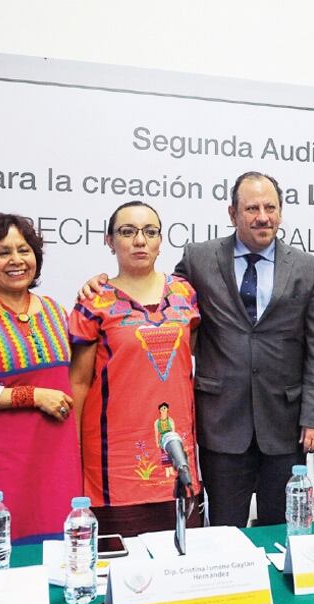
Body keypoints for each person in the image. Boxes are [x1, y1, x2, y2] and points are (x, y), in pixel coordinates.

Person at [174, 171, 314, 527]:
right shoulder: (198, 259)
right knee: (224, 529)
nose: (262, 216)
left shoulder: (309, 268)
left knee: (282, 528)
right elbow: (161, 302)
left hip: (286, 422)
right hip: (221, 421)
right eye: (252, 208)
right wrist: (105, 283)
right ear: (232, 214)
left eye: (270, 207)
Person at [0, 213, 81, 546]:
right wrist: (32, 396)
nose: (16, 260)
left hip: (56, 459)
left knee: (60, 553)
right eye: (3, 252)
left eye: (24, 250)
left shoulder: (55, 310)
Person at [69, 201, 202, 537]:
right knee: (120, 572)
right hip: (114, 467)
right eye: (127, 232)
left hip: (178, 458)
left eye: (150, 232)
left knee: (180, 565)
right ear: (109, 241)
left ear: (160, 240)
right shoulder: (94, 301)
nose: (140, 241)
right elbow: (79, 383)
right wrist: (72, 453)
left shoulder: (185, 294)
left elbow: (189, 360)